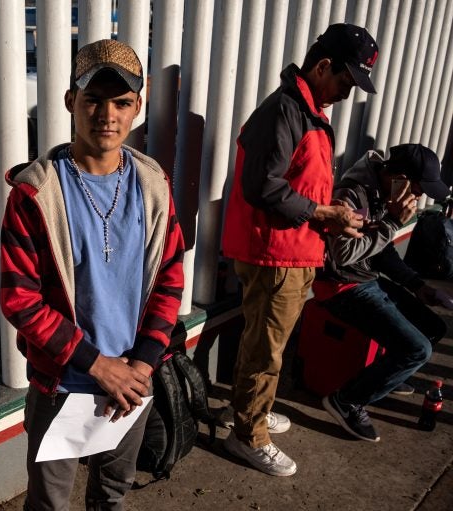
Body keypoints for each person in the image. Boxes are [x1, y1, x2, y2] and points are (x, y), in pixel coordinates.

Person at [0, 39, 184, 510]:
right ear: (69, 102)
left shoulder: (153, 184)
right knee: (49, 502)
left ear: (137, 107)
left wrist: (141, 364)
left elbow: (170, 278)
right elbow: (20, 299)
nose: (107, 115)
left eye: (122, 102)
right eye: (92, 100)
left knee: (112, 494)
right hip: (61, 384)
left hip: (133, 382)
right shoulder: (36, 193)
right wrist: (98, 365)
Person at [220, 23, 379, 477]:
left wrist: (330, 214)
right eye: (346, 82)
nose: (348, 94)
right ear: (323, 66)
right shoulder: (287, 110)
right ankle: (247, 434)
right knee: (264, 350)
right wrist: (323, 215)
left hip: (293, 250)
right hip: (275, 254)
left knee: (268, 343)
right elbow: (261, 186)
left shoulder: (308, 109)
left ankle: (255, 409)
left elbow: (294, 181)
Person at [316, 143, 449, 442]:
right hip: (341, 285)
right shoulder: (353, 194)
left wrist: (418, 285)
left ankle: (386, 376)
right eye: (416, 188)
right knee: (417, 350)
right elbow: (343, 254)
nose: (418, 197)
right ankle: (347, 400)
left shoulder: (382, 193)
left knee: (434, 328)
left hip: (366, 279)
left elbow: (381, 253)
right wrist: (390, 223)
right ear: (399, 177)